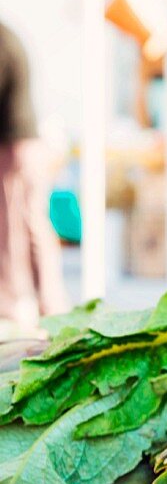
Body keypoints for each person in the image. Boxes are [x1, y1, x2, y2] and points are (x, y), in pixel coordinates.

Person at [0, 21, 67, 326]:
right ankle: (51, 303)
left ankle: (13, 305)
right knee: (31, 222)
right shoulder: (10, 36)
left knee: (12, 227)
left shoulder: (3, 40)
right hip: (26, 144)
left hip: (14, 146)